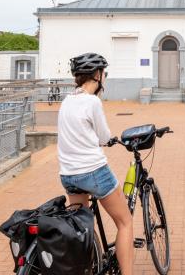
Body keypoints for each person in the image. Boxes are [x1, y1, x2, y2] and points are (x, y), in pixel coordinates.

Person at [58, 53, 133, 275]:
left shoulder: (66, 101)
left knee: (83, 226)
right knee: (125, 222)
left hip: (68, 174)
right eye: (104, 74)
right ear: (98, 75)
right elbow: (103, 137)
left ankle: (95, 265)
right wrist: (109, 139)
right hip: (93, 172)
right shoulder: (92, 102)